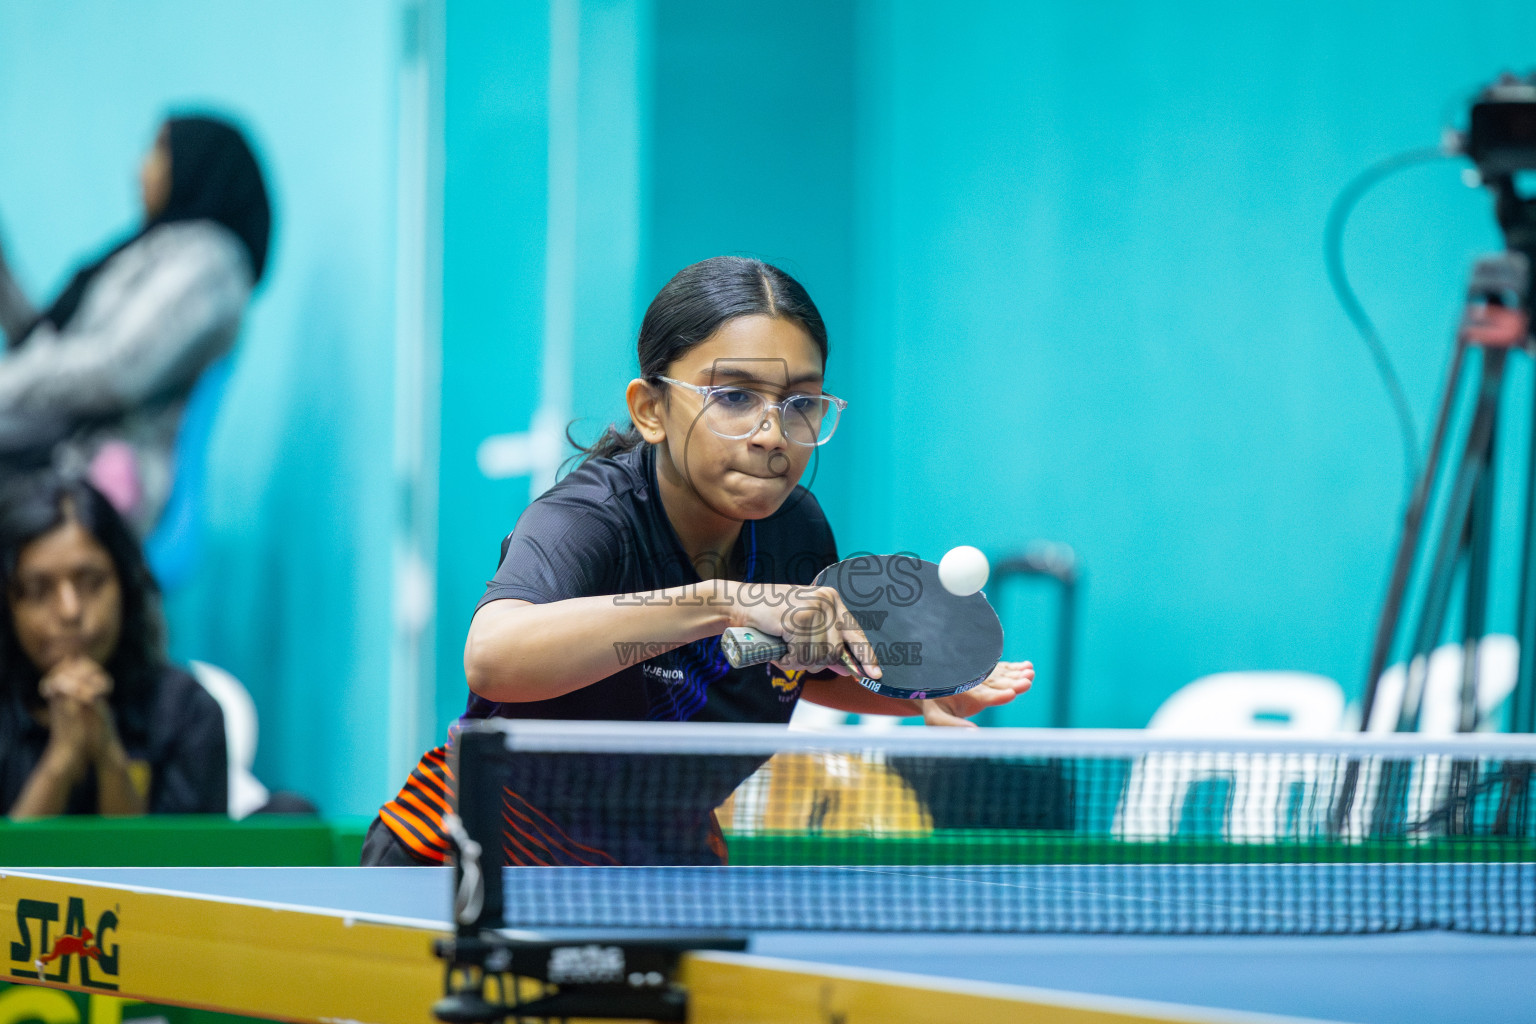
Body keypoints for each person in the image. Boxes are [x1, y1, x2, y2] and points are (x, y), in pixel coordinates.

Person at [362, 256, 1033, 866]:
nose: (772, 433)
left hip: (655, 866)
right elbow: (493, 658)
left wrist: (917, 689)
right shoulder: (590, 519)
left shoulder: (794, 529)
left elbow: (788, 668)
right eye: (734, 397)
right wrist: (721, 601)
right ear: (651, 409)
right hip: (476, 858)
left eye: (801, 403)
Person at [0, 114, 271, 536]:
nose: (140, 169)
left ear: (197, 162)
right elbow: (46, 346)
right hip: (43, 446)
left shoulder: (210, 264)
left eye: (157, 153)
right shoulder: (151, 250)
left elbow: (117, 371)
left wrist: (8, 382)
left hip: (101, 470)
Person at [0, 473, 226, 817]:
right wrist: (61, 762)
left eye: (91, 583)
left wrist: (107, 754)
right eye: (38, 590)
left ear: (126, 584)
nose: (70, 610)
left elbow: (169, 853)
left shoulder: (185, 710)